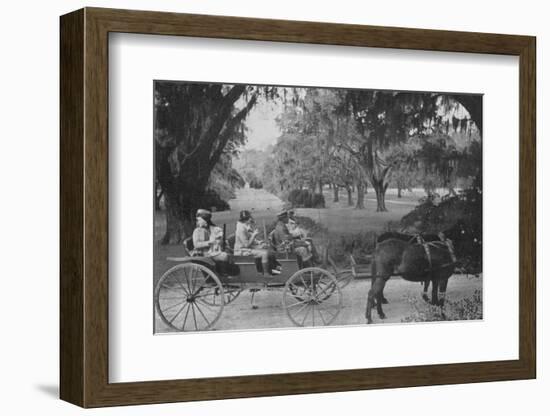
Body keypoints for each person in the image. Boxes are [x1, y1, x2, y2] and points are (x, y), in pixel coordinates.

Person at [234, 210, 280, 276]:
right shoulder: (240, 229)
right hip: (241, 251)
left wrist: (259, 242)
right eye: (250, 217)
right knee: (264, 253)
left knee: (266, 247)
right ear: (246, 219)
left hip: (247, 248)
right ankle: (266, 274)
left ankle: (271, 268)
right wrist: (253, 235)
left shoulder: (245, 226)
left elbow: (250, 239)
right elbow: (246, 245)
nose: (251, 218)